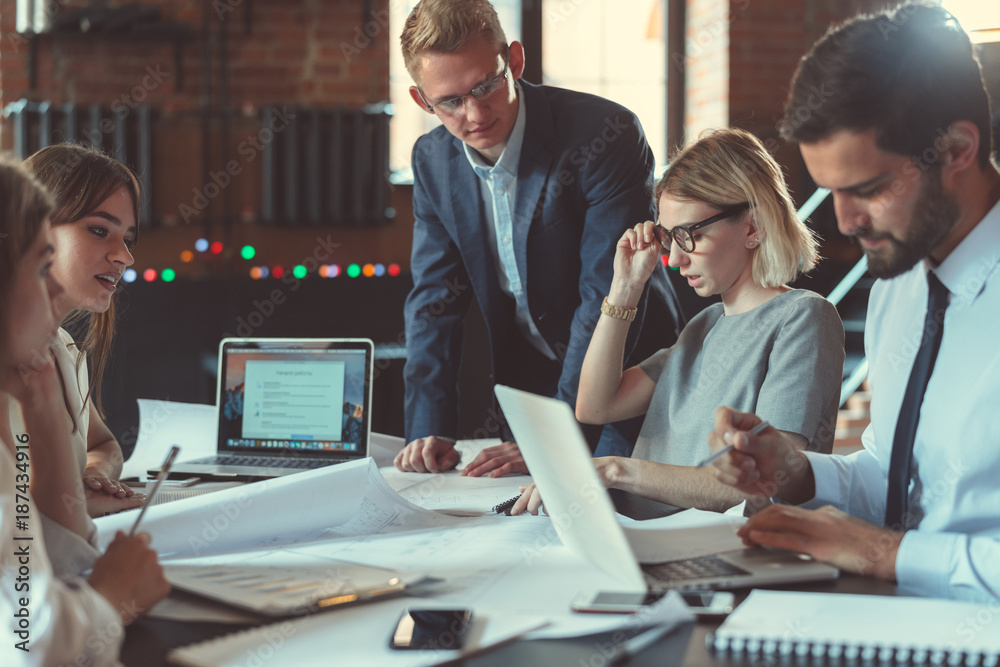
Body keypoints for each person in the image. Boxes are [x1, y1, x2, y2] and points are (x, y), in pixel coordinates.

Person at [707, 4, 1000, 603]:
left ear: (957, 149)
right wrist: (796, 471)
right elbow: (895, 481)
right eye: (830, 191)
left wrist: (885, 554)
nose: (843, 223)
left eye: (867, 189)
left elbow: (894, 540)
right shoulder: (902, 283)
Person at [394, 0, 685, 477]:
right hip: (530, 381)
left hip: (627, 371)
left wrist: (559, 436)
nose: (474, 113)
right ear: (421, 100)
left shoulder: (605, 134)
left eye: (486, 85)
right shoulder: (431, 160)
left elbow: (604, 294)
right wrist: (430, 426)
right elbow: (433, 302)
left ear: (514, 60)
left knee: (620, 510)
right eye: (449, 101)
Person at [513, 128, 844, 515]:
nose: (673, 259)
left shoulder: (804, 318)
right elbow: (594, 407)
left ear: (751, 227)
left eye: (689, 235)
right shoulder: (703, 326)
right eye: (669, 238)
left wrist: (617, 470)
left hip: (723, 553)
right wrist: (625, 289)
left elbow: (764, 482)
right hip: (644, 538)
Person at [0, 157, 169, 666]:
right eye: (39, 261)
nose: (125, 258)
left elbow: (62, 560)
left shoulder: (54, 355)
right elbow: (30, 642)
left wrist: (47, 403)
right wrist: (108, 598)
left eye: (128, 239)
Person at [9, 144, 144, 518]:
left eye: (128, 239)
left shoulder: (62, 347)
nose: (124, 256)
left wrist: (92, 476)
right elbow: (18, 523)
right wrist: (73, 505)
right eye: (100, 230)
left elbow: (103, 443)